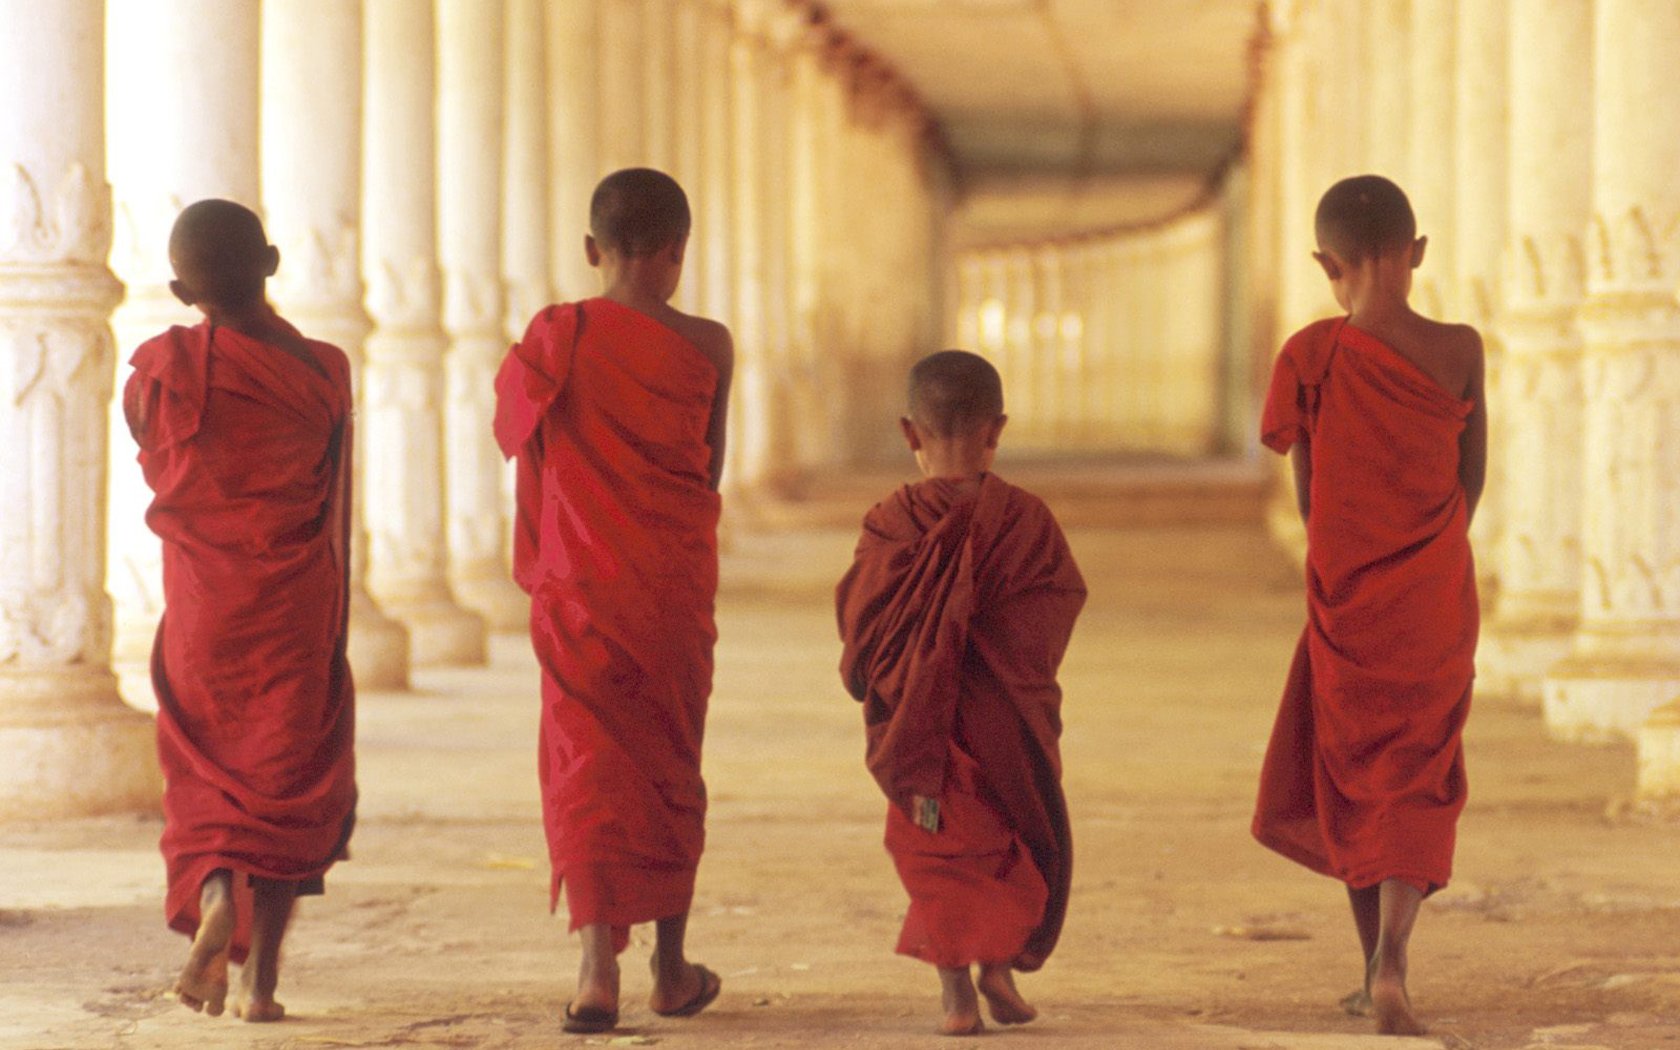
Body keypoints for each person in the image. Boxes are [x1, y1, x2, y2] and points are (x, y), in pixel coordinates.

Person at [493, 168, 733, 1035]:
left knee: (585, 767)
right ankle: (670, 969)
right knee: (669, 764)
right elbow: (706, 471)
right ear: (678, 253)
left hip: (581, 590)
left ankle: (597, 970)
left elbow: (530, 451)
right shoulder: (709, 345)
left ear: (592, 252)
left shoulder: (555, 337)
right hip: (668, 588)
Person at [1252, 174, 1485, 1037]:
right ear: (1416, 254)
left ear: (1326, 265)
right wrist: (1425, 556)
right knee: (1417, 774)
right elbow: (1472, 481)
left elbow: (1311, 501)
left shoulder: (1311, 357)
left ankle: (1370, 969)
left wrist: (1353, 568)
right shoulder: (1461, 347)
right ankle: (1390, 960)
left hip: (1348, 600)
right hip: (1433, 597)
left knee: (1351, 772)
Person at [126, 199, 358, 1023]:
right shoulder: (324, 369)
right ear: (271, 261)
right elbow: (336, 505)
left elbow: (165, 461)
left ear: (180, 289)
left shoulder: (155, 375)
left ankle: (218, 889)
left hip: (202, 611)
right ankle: (260, 985)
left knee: (209, 776)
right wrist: (337, 624)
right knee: (292, 780)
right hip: (293, 605)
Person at [835, 350, 1087, 1037]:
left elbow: (860, 627)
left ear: (909, 433)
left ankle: (959, 996)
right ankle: (998, 970)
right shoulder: (1027, 520)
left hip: (923, 728)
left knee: (940, 847)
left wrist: (895, 669)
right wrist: (1012, 675)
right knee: (1010, 835)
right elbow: (1057, 603)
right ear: (997, 429)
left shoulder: (890, 524)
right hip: (1005, 719)